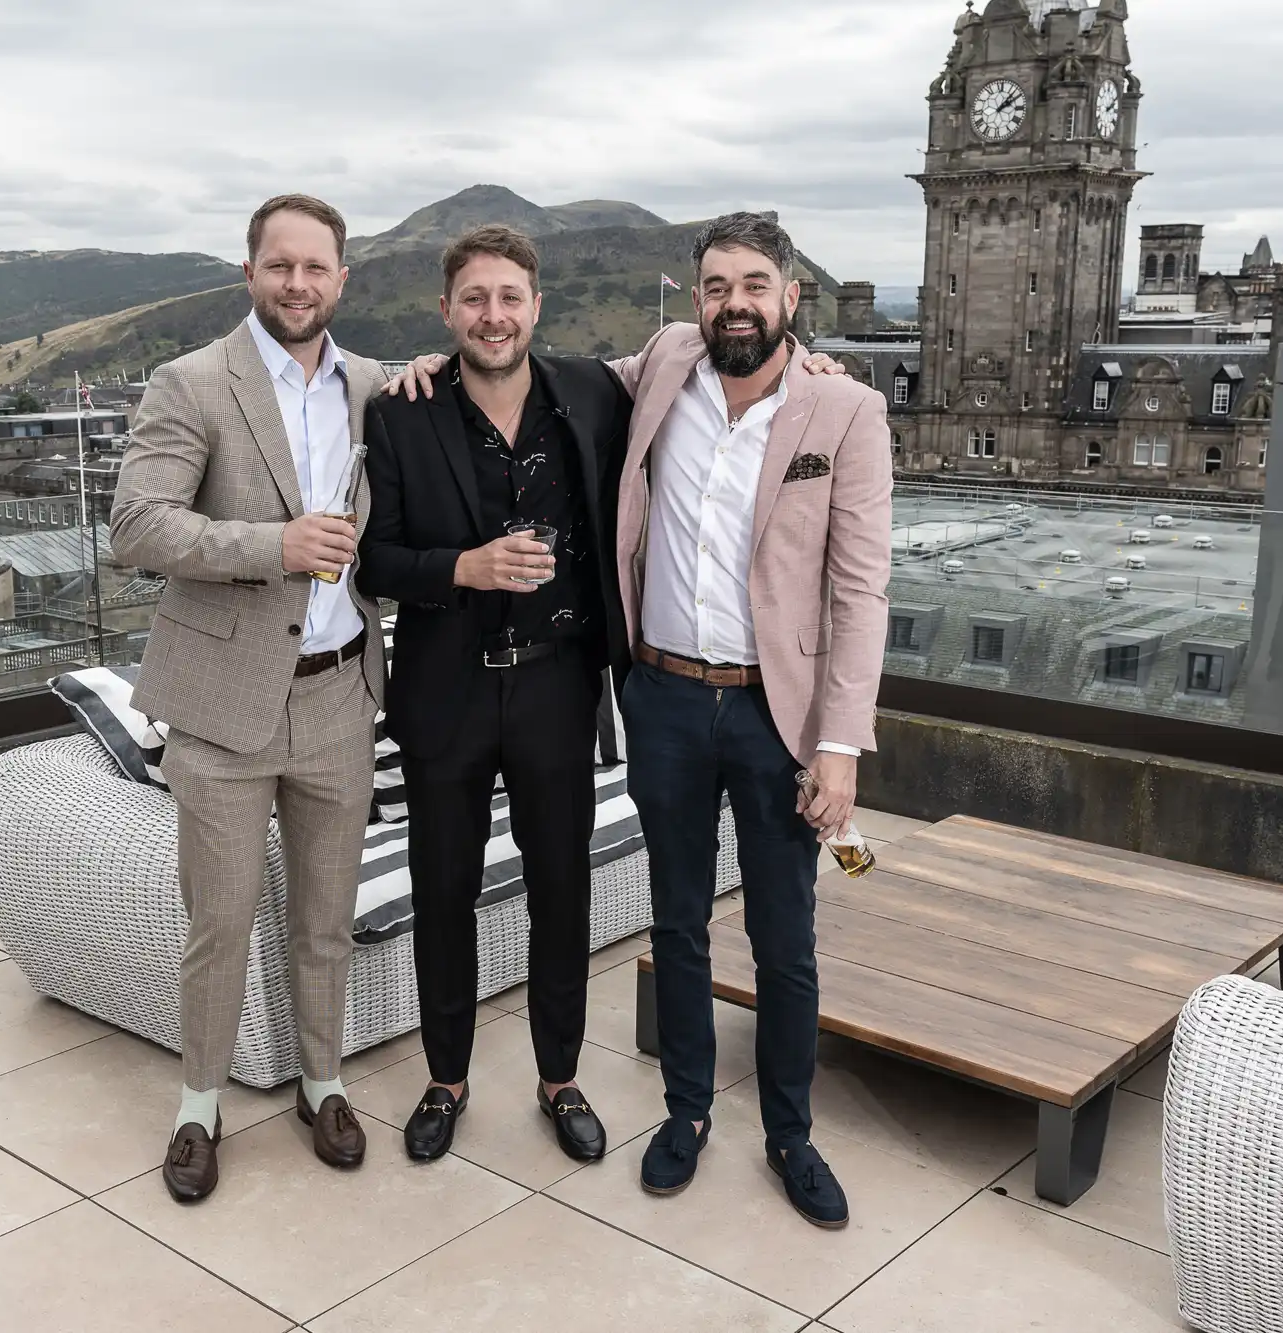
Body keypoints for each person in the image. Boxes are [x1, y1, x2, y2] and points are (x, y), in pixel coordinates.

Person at [611, 212, 892, 1228]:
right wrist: (431, 361)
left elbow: (859, 589)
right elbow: (532, 376)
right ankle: (685, 1113)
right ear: (696, 300)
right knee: (676, 920)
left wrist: (836, 744)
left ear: (789, 297)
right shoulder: (661, 366)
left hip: (779, 716)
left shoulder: (845, 412)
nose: (735, 301)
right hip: (665, 699)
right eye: (716, 284)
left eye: (754, 283)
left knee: (784, 938)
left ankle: (789, 1133)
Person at [110, 193, 387, 1204]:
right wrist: (272, 546)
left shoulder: (375, 386)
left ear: (341, 280)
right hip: (222, 706)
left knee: (323, 918)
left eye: (316, 268)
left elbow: (513, 373)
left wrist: (806, 364)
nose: (297, 284)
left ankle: (322, 1082)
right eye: (280, 266)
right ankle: (198, 1103)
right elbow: (137, 525)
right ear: (250, 273)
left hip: (337, 699)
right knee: (218, 922)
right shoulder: (190, 383)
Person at [357, 225, 630, 1164]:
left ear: (537, 306)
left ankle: (560, 1079)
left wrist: (816, 361)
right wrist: (464, 567)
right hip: (445, 695)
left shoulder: (592, 392)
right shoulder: (401, 414)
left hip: (559, 687)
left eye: (509, 297)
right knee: (445, 893)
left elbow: (696, 362)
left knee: (562, 890)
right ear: (446, 312)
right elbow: (376, 558)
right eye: (474, 298)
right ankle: (447, 1078)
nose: (493, 315)